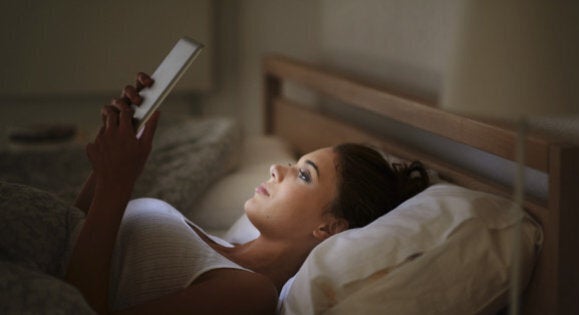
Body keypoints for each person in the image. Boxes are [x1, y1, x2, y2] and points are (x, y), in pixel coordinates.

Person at [55, 73, 430, 314]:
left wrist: (118, 183)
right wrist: (108, 164)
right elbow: (75, 231)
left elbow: (69, 304)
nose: (277, 168)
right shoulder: (215, 244)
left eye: (303, 175)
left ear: (329, 228)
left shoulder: (248, 294)